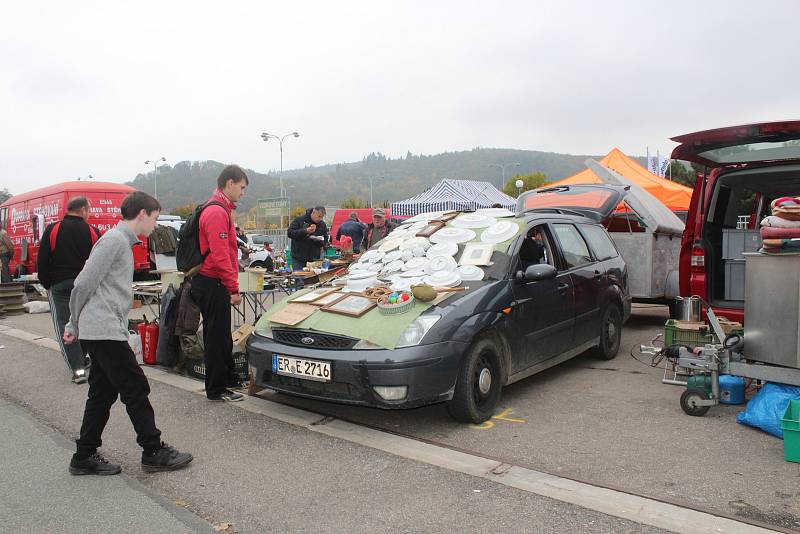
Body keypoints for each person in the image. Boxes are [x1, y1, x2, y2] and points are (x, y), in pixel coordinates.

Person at [64, 191, 193, 475]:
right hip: (102, 330)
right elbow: (82, 284)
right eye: (155, 218)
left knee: (102, 392)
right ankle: (153, 450)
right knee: (135, 387)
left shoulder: (121, 242)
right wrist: (73, 322)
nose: (155, 226)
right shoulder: (113, 241)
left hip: (104, 329)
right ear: (142, 214)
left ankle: (83, 455)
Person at [190, 165, 248, 402]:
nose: (243, 193)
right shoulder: (216, 212)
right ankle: (216, 389)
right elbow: (220, 254)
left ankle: (227, 379)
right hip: (211, 282)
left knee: (222, 334)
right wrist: (232, 287)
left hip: (214, 281)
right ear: (230, 183)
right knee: (215, 337)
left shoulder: (221, 208)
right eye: (242, 187)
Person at [37, 197, 101, 384]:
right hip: (86, 285)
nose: (89, 214)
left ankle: (78, 369)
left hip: (61, 285)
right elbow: (98, 261)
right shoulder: (92, 231)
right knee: (86, 323)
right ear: (82, 210)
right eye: (89, 210)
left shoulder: (53, 229)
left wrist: (48, 283)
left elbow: (42, 260)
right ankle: (85, 358)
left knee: (65, 325)